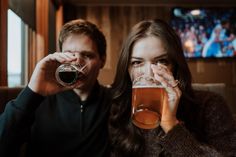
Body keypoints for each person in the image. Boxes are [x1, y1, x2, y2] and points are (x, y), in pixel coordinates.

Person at [109, 19, 236, 157]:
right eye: (137, 62)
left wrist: (171, 125)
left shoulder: (210, 105)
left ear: (175, 66)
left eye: (161, 61)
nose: (149, 73)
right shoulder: (119, 109)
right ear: (127, 68)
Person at [0, 19, 111, 157]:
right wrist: (32, 91)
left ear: (103, 60)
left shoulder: (114, 101)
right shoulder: (38, 100)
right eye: (69, 54)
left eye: (87, 55)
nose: (77, 62)